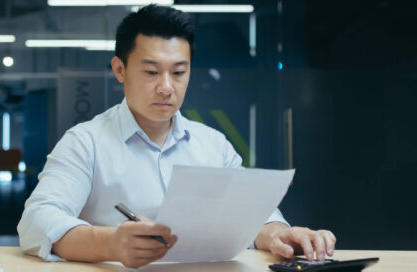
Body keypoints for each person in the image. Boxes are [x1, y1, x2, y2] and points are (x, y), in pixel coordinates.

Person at [17, 4, 336, 269]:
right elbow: (37, 221)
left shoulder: (213, 145)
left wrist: (279, 233)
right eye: (151, 72)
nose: (166, 87)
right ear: (120, 70)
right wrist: (111, 244)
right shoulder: (85, 142)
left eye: (179, 72)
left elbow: (253, 214)